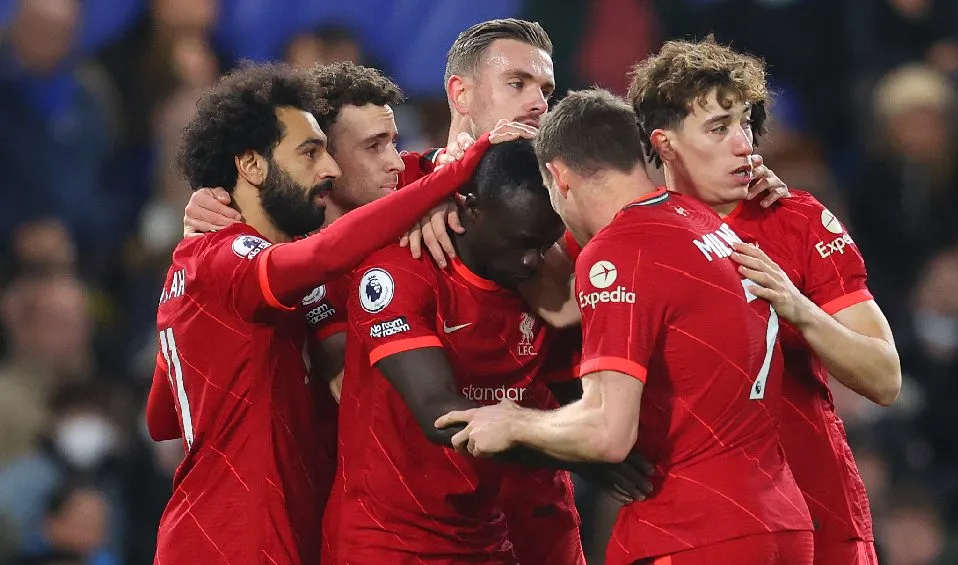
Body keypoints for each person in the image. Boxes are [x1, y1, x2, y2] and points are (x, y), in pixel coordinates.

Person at [149, 61, 518, 564]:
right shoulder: (221, 258)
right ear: (252, 166)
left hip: (279, 530)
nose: (329, 169)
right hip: (230, 538)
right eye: (309, 153)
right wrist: (452, 175)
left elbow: (163, 415)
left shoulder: (217, 264)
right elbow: (321, 257)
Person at [436, 89, 814, 565]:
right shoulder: (700, 220)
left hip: (694, 530)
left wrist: (514, 423)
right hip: (780, 521)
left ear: (558, 177)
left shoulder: (617, 253)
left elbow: (607, 433)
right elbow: (565, 309)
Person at [627, 37, 901, 565]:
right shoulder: (629, 236)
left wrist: (797, 306)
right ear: (664, 144)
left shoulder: (794, 219)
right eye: (718, 127)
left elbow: (884, 376)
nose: (743, 144)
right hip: (697, 524)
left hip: (819, 510)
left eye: (745, 123)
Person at [331, 139, 603, 564]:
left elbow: (579, 396)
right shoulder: (399, 273)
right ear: (471, 209)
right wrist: (589, 449)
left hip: (492, 538)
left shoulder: (536, 293)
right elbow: (441, 415)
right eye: (522, 241)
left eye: (546, 244)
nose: (533, 261)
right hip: (390, 542)